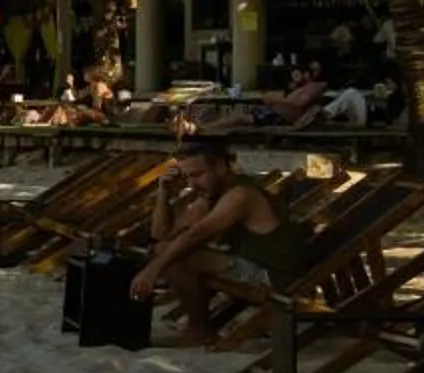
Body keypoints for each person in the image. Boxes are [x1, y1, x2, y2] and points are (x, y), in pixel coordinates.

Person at [129, 136, 305, 341]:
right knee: (167, 250)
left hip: (275, 276)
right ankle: (199, 328)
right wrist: (163, 193)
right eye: (187, 177)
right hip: (250, 266)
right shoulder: (211, 196)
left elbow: (198, 234)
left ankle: (199, 329)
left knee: (180, 256)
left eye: (198, 175)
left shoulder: (241, 195)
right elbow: (161, 235)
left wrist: (152, 271)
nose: (192, 184)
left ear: (221, 167)